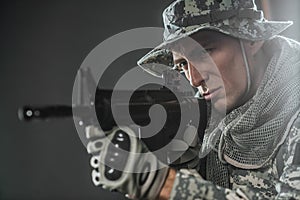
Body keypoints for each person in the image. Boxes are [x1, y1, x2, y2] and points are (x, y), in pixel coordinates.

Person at [86, 0, 300, 199]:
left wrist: (166, 185)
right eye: (182, 65)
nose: (195, 79)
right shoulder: (210, 123)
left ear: (252, 39)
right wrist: (178, 169)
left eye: (204, 53)